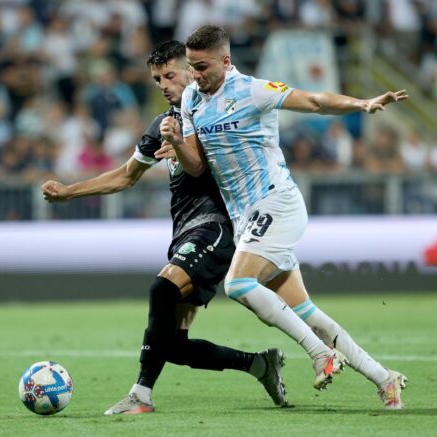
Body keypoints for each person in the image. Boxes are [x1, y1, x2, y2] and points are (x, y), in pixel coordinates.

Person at [158, 25, 408, 409]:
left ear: (226, 60)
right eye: (191, 66)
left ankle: (320, 354)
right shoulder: (192, 98)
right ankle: (384, 378)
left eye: (202, 66)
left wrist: (361, 104)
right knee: (307, 312)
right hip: (246, 219)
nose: (195, 74)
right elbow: (195, 167)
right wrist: (176, 142)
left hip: (276, 203)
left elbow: (314, 101)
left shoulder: (253, 90)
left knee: (238, 284)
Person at [42, 41, 288, 415]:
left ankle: (140, 395)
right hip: (185, 231)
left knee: (162, 288)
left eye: (169, 75)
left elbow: (211, 162)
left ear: (191, 71)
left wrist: (184, 144)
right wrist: (69, 191)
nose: (163, 84)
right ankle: (259, 365)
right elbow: (126, 176)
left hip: (217, 226)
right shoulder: (163, 124)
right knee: (171, 344)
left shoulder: (214, 114)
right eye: (157, 79)